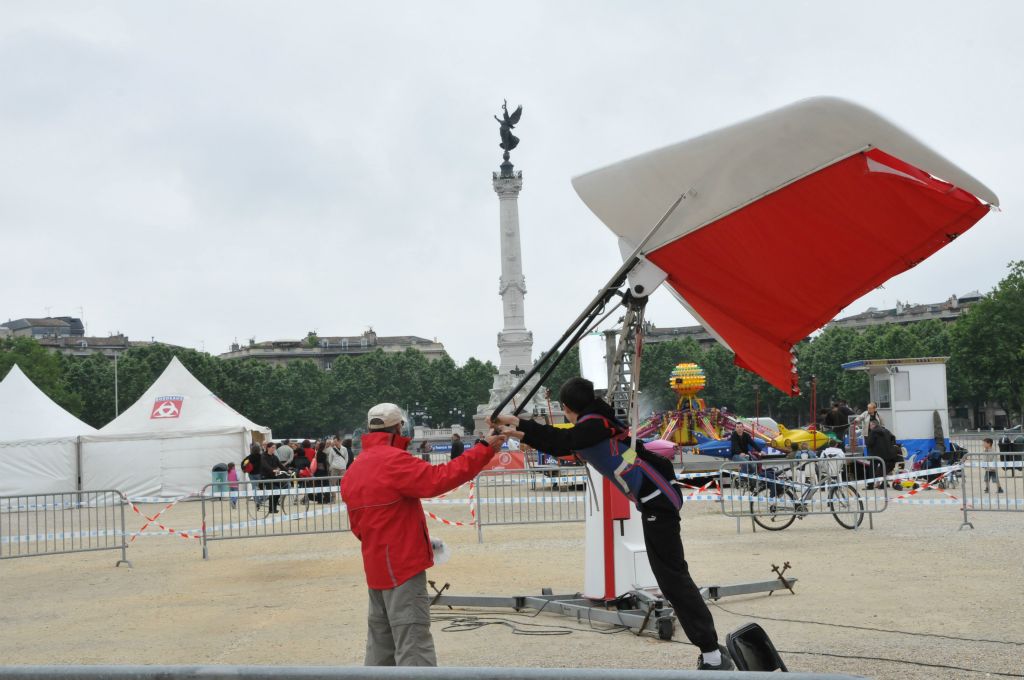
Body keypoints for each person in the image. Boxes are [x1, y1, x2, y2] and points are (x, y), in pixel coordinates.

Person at [491, 377, 733, 671]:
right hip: (656, 499)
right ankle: (711, 650)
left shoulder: (592, 426)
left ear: (566, 407)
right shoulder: (597, 418)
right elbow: (562, 445)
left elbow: (563, 440)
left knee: (672, 578)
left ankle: (712, 654)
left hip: (659, 502)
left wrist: (519, 426)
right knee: (673, 576)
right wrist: (516, 427)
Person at [341, 403, 505, 667]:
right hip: (403, 565)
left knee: (380, 646)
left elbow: (359, 527)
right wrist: (483, 450)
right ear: (399, 427)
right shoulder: (394, 461)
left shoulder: (356, 469)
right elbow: (440, 478)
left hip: (376, 566)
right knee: (413, 644)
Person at [260, 442, 287, 514]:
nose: (274, 449)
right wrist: (272, 470)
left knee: (278, 492)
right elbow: (265, 465)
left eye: (275, 448)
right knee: (274, 491)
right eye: (272, 447)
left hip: (274, 477)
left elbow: (281, 465)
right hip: (266, 477)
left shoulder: (275, 457)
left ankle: (273, 508)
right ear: (268, 448)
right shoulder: (263, 456)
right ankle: (271, 508)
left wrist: (288, 471)